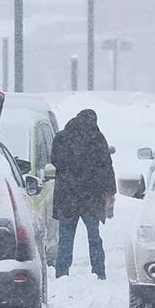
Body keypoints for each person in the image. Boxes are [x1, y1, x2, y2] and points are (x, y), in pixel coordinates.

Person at [50, 109, 116, 279]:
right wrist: (110, 192)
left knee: (65, 238)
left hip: (67, 196)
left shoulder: (61, 137)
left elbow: (55, 162)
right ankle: (99, 272)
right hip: (91, 197)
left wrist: (71, 176)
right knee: (94, 237)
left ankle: (62, 272)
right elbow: (107, 167)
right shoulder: (97, 139)